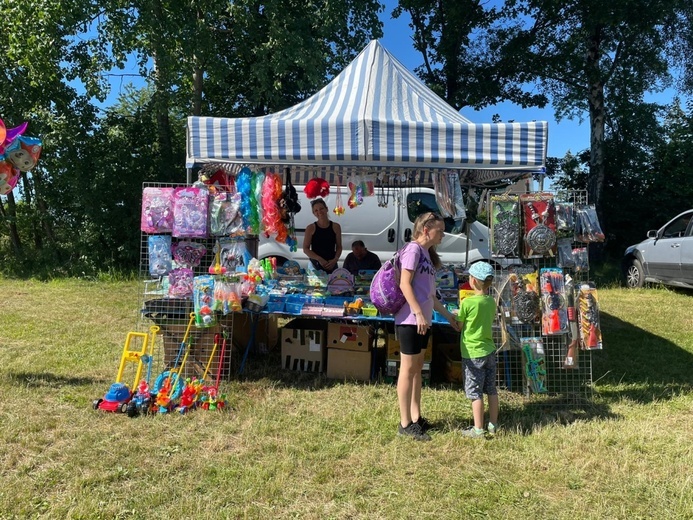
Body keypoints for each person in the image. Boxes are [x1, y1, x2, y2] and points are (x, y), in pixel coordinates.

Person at [396, 212, 459, 441]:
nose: (442, 235)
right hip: (410, 321)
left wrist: (447, 316)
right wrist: (417, 313)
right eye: (439, 230)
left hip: (423, 320)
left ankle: (416, 417)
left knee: (417, 369)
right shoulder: (412, 250)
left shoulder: (427, 255)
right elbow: (404, 283)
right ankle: (404, 424)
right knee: (408, 370)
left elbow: (430, 296)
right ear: (425, 230)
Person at [457, 261, 498, 438]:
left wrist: (455, 315)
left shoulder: (467, 303)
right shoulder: (491, 302)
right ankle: (493, 424)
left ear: (472, 281)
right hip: (489, 350)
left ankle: (478, 429)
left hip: (473, 353)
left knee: (475, 392)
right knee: (491, 390)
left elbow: (459, 325)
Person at [303, 198, 342, 274]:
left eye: (321, 209)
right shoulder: (310, 228)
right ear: (314, 213)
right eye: (316, 210)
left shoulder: (336, 226)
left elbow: (339, 246)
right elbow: (305, 249)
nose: (319, 212)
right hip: (315, 265)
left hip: (332, 264)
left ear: (326, 209)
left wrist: (335, 259)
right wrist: (319, 259)